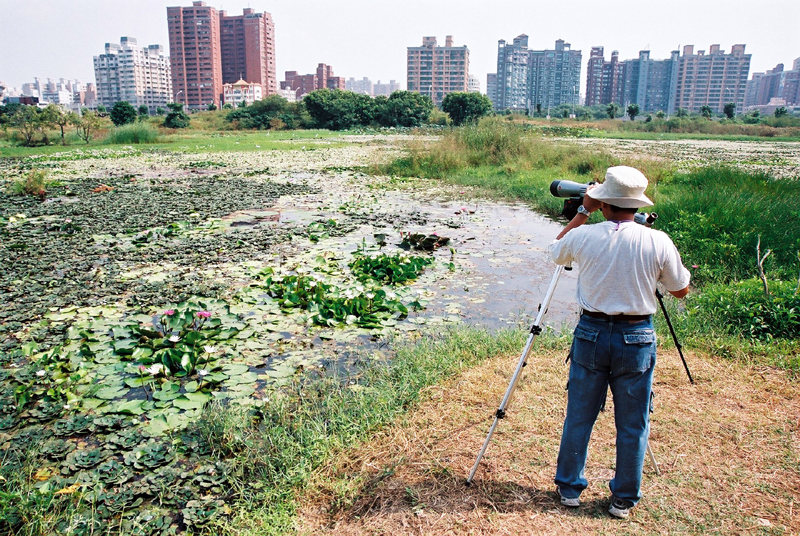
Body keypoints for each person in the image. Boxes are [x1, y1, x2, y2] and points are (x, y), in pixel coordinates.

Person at [548, 166, 690, 519]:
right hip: (637, 337)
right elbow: (680, 290)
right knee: (633, 422)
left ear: (604, 203)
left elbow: (555, 251)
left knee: (579, 415)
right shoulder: (658, 240)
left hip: (591, 333)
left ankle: (569, 488)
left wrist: (583, 211)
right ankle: (623, 498)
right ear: (636, 205)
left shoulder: (587, 236)